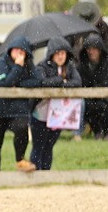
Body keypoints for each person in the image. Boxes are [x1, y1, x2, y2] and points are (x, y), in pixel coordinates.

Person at [0, 36, 39, 172]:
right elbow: (5, 84)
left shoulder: (29, 64)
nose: (19, 53)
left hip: (17, 110)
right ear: (10, 50)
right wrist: (17, 67)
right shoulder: (0, 62)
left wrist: (19, 84)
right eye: (16, 49)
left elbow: (37, 81)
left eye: (22, 50)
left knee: (22, 129)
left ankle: (20, 160)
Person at [29, 37, 82, 171]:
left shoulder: (69, 67)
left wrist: (63, 83)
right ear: (52, 54)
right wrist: (60, 80)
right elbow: (42, 83)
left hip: (58, 115)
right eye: (57, 53)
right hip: (40, 113)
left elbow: (77, 82)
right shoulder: (42, 66)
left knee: (49, 146)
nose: (60, 56)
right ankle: (36, 174)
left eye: (63, 53)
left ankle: (46, 174)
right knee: (38, 146)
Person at [79, 34, 108, 141]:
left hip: (107, 99)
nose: (91, 52)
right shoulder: (82, 66)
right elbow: (81, 82)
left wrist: (97, 89)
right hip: (88, 100)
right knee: (89, 106)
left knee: (102, 106)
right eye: (89, 49)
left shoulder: (107, 65)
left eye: (94, 49)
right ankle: (97, 133)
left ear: (100, 50)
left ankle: (107, 133)